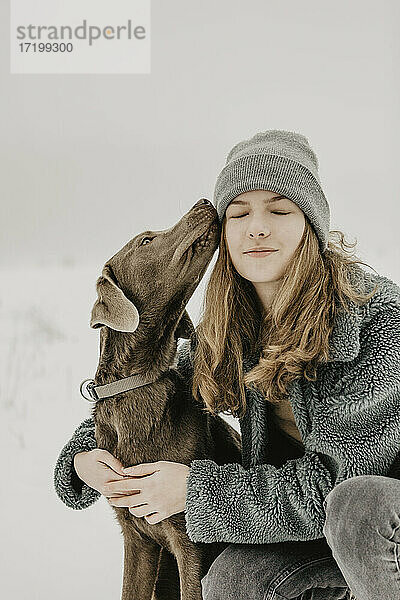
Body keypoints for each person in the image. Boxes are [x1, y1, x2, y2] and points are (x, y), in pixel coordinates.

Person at [54, 130, 400, 600]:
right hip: (316, 534)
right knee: (231, 580)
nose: (257, 227)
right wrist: (83, 459)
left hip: (380, 522)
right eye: (239, 214)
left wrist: (195, 492)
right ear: (225, 235)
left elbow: (333, 487)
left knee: (357, 508)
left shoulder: (373, 320)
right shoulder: (234, 327)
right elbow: (150, 388)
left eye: (280, 210)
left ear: (311, 227)